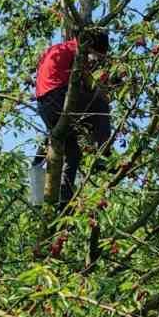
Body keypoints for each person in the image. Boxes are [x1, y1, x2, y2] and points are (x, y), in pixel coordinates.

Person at [33, 33, 112, 207]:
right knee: (100, 105)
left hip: (44, 106)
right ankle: (103, 155)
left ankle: (61, 202)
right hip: (58, 98)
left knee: (73, 153)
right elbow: (89, 83)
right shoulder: (78, 52)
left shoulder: (59, 48)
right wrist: (104, 91)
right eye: (98, 55)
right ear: (92, 48)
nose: (96, 60)